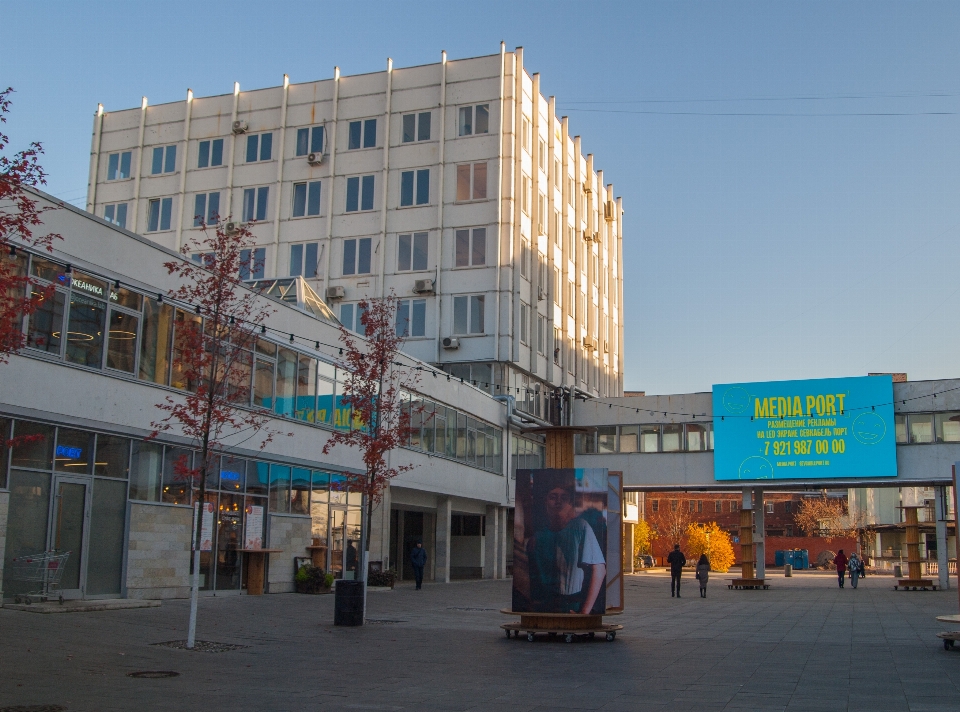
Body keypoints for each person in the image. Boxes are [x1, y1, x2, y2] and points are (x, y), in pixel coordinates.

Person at [528, 471, 606, 614]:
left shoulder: (580, 527)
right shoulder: (538, 537)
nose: (558, 501)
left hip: (573, 604)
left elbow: (599, 569)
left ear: (570, 502)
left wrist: (584, 612)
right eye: (553, 497)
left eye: (564, 497)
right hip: (546, 605)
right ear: (545, 501)